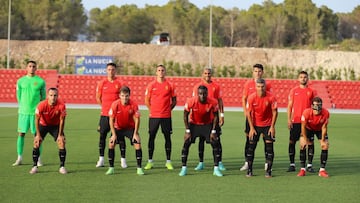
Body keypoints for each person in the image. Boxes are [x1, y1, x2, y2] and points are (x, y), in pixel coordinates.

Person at [179, 85, 223, 177]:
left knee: (215, 143)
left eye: (204, 94)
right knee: (186, 143)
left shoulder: (213, 102)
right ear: (197, 94)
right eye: (200, 94)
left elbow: (215, 116)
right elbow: (185, 115)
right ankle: (184, 168)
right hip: (194, 124)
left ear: (207, 94)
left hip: (207, 124)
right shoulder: (191, 101)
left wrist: (213, 131)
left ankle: (216, 168)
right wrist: (187, 130)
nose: (202, 96)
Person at [13, 60, 46, 166]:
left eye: (33, 66)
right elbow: (18, 95)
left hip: (35, 114)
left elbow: (43, 97)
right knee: (21, 134)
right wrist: (23, 105)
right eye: (30, 66)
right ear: (26, 68)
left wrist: (39, 110)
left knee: (37, 135)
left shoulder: (40, 81)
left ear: (36, 68)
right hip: (23, 113)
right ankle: (19, 158)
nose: (31, 68)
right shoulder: (20, 81)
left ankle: (38, 158)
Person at [105, 86, 144, 175]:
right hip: (118, 128)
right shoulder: (115, 104)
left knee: (137, 143)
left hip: (129, 128)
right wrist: (114, 134)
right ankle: (111, 168)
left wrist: (135, 133)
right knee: (111, 144)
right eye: (122, 95)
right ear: (119, 96)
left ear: (129, 96)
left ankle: (139, 168)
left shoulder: (133, 104)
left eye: (126, 96)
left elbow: (137, 119)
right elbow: (111, 120)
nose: (124, 98)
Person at [192, 68, 225, 171]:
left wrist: (222, 115)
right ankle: (201, 162)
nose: (207, 75)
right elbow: (194, 102)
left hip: (213, 118)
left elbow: (220, 101)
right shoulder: (197, 87)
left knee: (217, 140)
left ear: (211, 74)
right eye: (205, 73)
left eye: (209, 73)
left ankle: (219, 162)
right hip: (201, 118)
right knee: (201, 140)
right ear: (202, 74)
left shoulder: (216, 86)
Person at [144, 64, 177, 170]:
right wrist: (153, 110)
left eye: (162, 70)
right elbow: (146, 101)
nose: (161, 72)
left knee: (167, 138)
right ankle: (150, 161)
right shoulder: (151, 85)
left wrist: (167, 109)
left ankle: (168, 161)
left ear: (165, 72)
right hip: (154, 116)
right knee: (151, 137)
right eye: (159, 70)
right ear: (156, 72)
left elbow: (174, 101)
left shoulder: (170, 85)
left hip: (166, 116)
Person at [240, 64, 272, 171]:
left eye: (259, 71)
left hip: (264, 119)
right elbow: (244, 98)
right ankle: (247, 162)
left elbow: (270, 100)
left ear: (262, 72)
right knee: (249, 139)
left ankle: (267, 163)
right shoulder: (248, 84)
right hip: (251, 118)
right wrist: (246, 112)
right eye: (255, 71)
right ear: (252, 72)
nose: (257, 73)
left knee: (266, 140)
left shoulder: (267, 84)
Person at [95, 62, 127, 168]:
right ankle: (101, 159)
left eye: (113, 69)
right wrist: (105, 108)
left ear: (115, 71)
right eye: (109, 69)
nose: (111, 71)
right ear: (106, 70)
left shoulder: (120, 83)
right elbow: (98, 98)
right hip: (105, 115)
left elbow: (123, 98)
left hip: (117, 115)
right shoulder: (102, 83)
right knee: (102, 136)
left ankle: (123, 160)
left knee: (120, 137)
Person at [29, 88, 67, 174]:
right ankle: (35, 166)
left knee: (61, 142)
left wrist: (60, 134)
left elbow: (62, 121)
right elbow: (36, 120)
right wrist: (38, 135)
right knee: (36, 142)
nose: (53, 97)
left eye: (55, 95)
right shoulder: (41, 105)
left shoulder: (61, 105)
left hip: (55, 126)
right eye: (51, 95)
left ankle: (62, 166)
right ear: (47, 96)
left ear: (57, 96)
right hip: (43, 125)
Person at [245, 78, 277, 178]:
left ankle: (268, 171)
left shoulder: (271, 97)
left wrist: (272, 127)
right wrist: (251, 128)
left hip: (267, 125)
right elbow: (248, 114)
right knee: (251, 148)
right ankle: (249, 170)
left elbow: (275, 112)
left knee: (269, 148)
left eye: (262, 86)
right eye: (258, 86)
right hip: (255, 125)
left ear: (265, 86)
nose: (260, 88)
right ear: (255, 87)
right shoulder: (251, 98)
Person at [287, 71, 317, 172]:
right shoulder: (294, 91)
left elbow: (315, 106)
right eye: (301, 77)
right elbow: (290, 106)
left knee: (309, 142)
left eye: (305, 77)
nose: (303, 79)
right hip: (295, 120)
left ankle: (309, 165)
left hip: (308, 121)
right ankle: (292, 164)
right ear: (298, 79)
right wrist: (289, 119)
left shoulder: (312, 91)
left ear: (307, 78)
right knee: (292, 142)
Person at [297, 97, 330, 178]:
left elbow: (324, 127)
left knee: (325, 145)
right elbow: (303, 127)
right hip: (308, 128)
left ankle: (322, 170)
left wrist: (322, 140)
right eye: (315, 106)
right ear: (312, 106)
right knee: (302, 144)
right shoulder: (306, 113)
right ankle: (302, 169)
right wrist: (304, 139)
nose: (317, 109)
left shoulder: (326, 113)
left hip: (319, 129)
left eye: (319, 106)